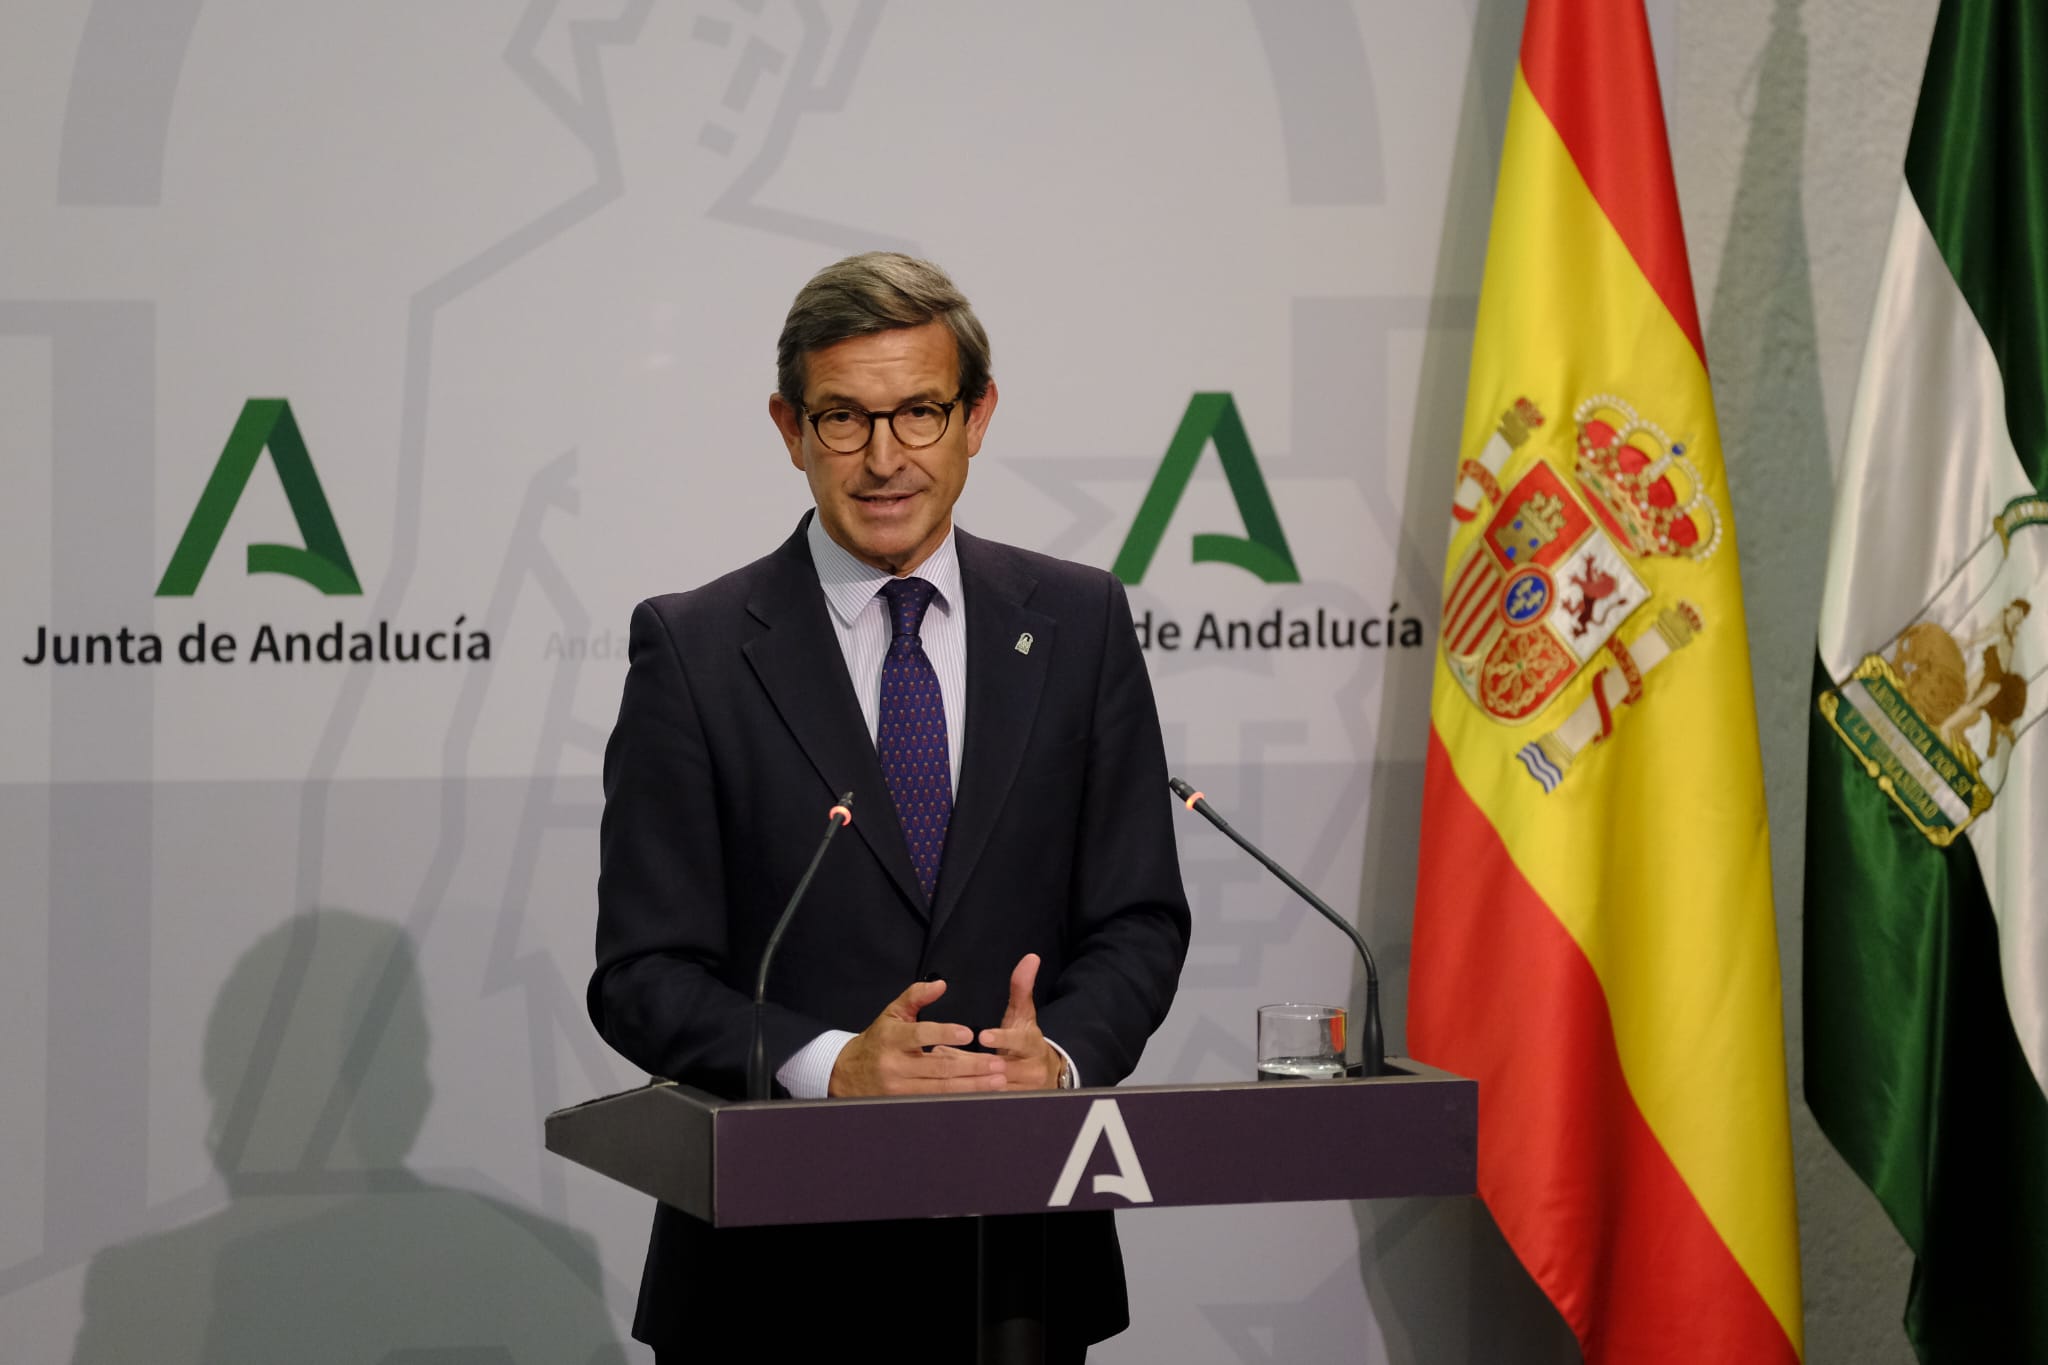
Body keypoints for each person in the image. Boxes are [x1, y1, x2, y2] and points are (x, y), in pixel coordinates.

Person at [588, 251, 1192, 1360]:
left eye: (918, 412)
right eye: (843, 419)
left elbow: (1137, 918)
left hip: (1018, 1269)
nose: (883, 459)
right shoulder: (696, 650)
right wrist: (827, 1067)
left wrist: (1055, 1059)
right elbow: (640, 975)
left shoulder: (1078, 622)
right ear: (788, 427)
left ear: (976, 416)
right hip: (768, 1283)